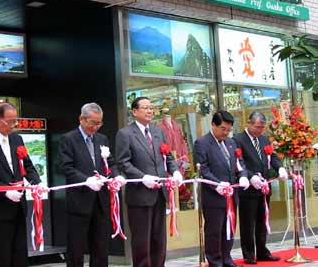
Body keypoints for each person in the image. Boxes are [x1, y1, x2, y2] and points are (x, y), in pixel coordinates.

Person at [0, 102, 45, 267]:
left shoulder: (17, 139)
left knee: (20, 251)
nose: (14, 125)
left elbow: (27, 165)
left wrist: (37, 183)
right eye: (10, 121)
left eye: (15, 121)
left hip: (19, 204)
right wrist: (5, 191)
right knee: (2, 253)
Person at [116, 96, 183, 267]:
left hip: (159, 193)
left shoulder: (157, 131)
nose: (149, 111)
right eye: (145, 108)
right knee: (142, 239)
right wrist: (142, 177)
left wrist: (175, 171)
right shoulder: (125, 134)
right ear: (134, 111)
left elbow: (167, 156)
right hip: (139, 195)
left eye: (151, 107)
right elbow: (123, 162)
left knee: (159, 238)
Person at [59, 103, 126, 267]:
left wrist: (116, 176)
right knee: (76, 248)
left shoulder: (102, 139)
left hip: (100, 201)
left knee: (101, 248)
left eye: (99, 123)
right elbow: (66, 167)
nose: (96, 127)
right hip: (78, 202)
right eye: (93, 123)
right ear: (81, 119)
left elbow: (109, 163)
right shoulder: (68, 139)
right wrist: (86, 180)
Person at [193, 110, 249, 267]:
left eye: (229, 130)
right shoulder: (202, 143)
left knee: (229, 228)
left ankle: (227, 258)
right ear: (213, 125)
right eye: (223, 129)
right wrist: (217, 183)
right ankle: (215, 260)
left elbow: (240, 163)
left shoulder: (231, 143)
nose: (226, 132)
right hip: (213, 195)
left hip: (232, 194)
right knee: (214, 230)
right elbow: (202, 169)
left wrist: (243, 175)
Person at [233, 111, 288, 264]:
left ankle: (263, 251)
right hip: (248, 188)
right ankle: (249, 254)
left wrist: (280, 168)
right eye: (257, 127)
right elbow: (239, 162)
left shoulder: (264, 139)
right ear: (249, 123)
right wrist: (250, 176)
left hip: (264, 186)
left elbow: (273, 157)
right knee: (248, 223)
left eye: (262, 127)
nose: (260, 130)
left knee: (262, 221)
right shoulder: (238, 139)